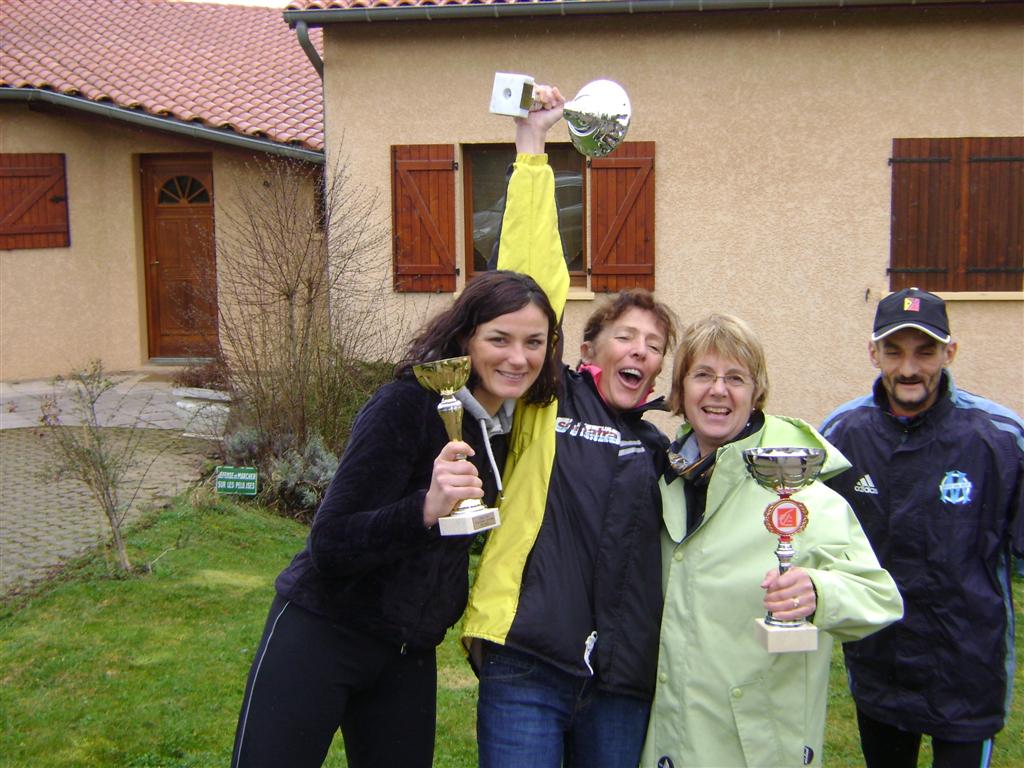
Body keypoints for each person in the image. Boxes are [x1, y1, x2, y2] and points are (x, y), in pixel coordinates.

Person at [230, 268, 563, 768]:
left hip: (408, 652)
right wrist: (424, 509)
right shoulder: (406, 404)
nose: (519, 358)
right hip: (324, 630)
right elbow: (331, 542)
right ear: (465, 338)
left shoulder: (508, 428)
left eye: (534, 342)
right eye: (500, 339)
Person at [462, 86, 679, 768]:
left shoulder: (661, 449)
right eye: (626, 336)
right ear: (587, 352)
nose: (640, 351)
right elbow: (528, 285)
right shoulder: (548, 402)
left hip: (620, 682)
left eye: (654, 344)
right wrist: (531, 151)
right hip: (527, 661)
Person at [642, 312, 904, 768]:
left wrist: (818, 593)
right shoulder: (665, 481)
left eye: (736, 378)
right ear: (680, 391)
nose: (718, 391)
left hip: (755, 749)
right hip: (668, 736)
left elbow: (880, 599)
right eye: (702, 375)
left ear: (756, 392)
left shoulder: (802, 494)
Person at [820, 287, 1024, 768]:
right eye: (894, 351)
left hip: (969, 670)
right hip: (880, 667)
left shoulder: (1000, 439)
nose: (909, 369)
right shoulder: (841, 436)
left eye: (925, 351)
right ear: (873, 352)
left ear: (950, 352)